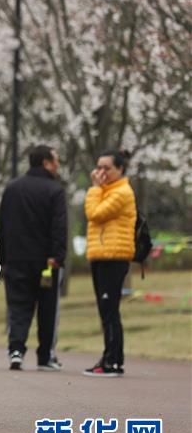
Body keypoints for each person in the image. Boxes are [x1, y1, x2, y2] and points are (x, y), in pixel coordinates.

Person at [0, 145, 67, 371]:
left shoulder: (12, 188)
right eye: (55, 161)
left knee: (18, 306)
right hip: (47, 261)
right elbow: (59, 226)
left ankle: (16, 350)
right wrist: (58, 256)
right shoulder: (54, 190)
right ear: (46, 163)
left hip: (16, 259)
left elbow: (2, 224)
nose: (57, 165)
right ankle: (45, 356)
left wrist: (2, 256)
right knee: (48, 309)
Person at [83, 149, 136, 377]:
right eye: (99, 167)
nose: (101, 172)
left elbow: (94, 213)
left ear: (120, 169)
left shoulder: (122, 192)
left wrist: (95, 188)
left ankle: (112, 361)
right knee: (106, 311)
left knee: (109, 310)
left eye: (107, 168)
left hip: (113, 258)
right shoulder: (107, 191)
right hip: (101, 256)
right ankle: (110, 358)